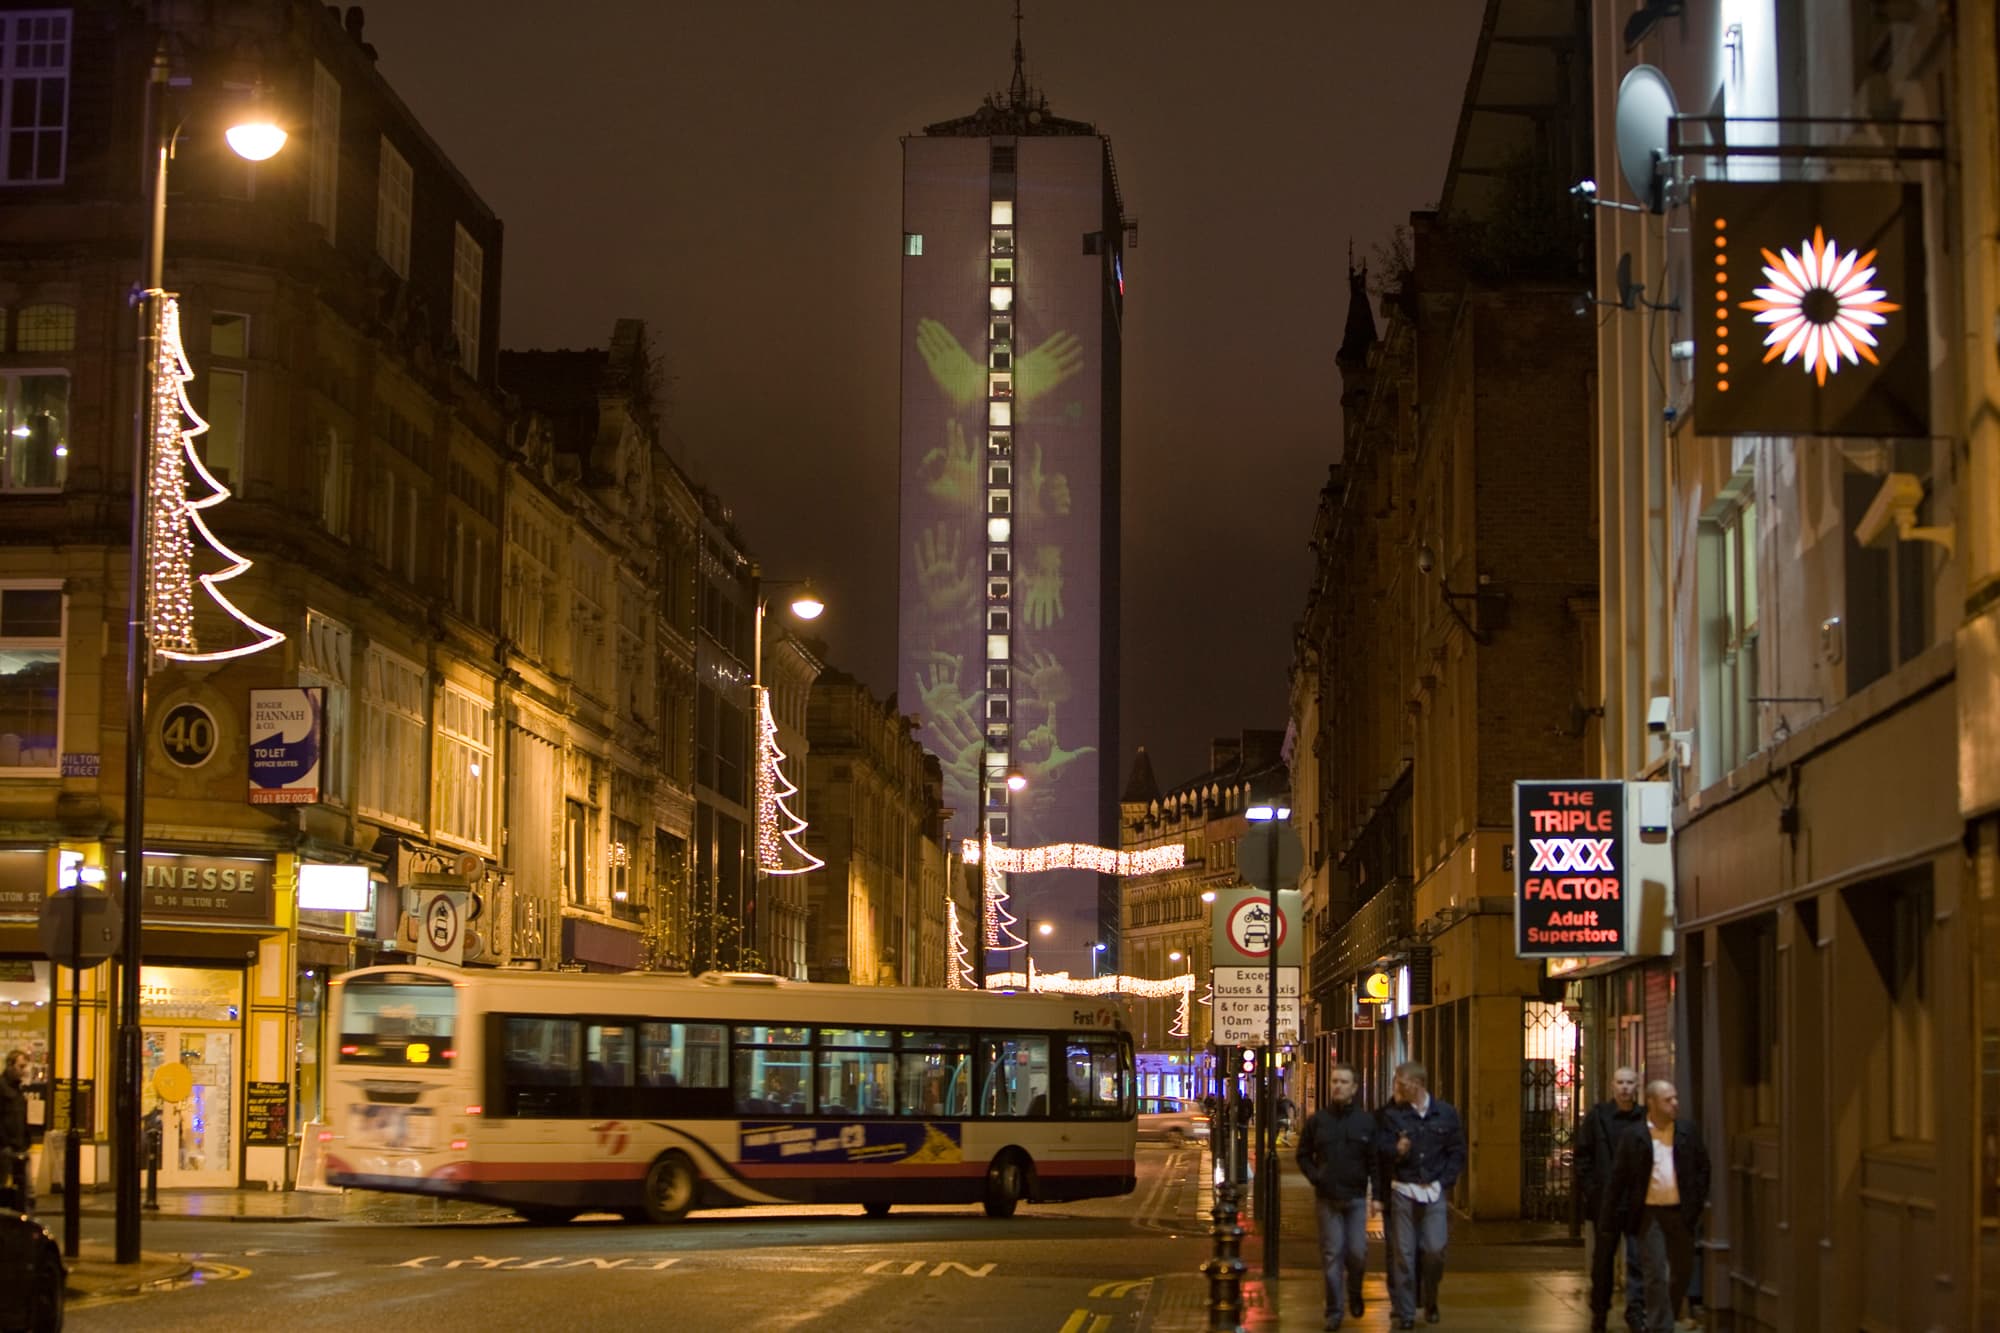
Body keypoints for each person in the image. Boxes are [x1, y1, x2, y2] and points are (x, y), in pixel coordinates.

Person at [1605, 1080, 1711, 1333]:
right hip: (1649, 1214)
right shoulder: (1635, 1136)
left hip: (1680, 1212)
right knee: (1655, 1274)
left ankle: (1668, 1315)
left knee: (1682, 1270)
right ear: (1652, 1103)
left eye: (1675, 1098)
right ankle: (1660, 1327)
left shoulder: (1686, 1132)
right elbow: (1619, 1177)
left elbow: (1702, 1169)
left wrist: (1695, 1205)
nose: (1675, 1103)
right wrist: (1610, 1215)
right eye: (1668, 1099)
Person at [1376, 1061, 1466, 1329]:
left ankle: (1431, 1296)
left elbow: (1457, 1151)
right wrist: (1396, 1150)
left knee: (1434, 1250)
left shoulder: (1446, 1114)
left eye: (1402, 1083)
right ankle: (1405, 1313)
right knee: (1403, 1254)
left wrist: (1445, 1181)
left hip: (1434, 1191)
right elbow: (1381, 1150)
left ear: (1417, 1084)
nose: (1398, 1088)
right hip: (1403, 1190)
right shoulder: (1394, 1116)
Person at [1296, 1064, 1377, 1330]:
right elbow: (1303, 1154)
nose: (1338, 1086)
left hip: (1355, 1198)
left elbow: (1375, 1161)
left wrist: (1376, 1195)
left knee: (1357, 1253)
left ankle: (1354, 1291)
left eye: (1343, 1082)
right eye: (1334, 1081)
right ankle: (1334, 1311)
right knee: (1331, 1255)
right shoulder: (1318, 1121)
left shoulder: (1365, 1122)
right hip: (1327, 1198)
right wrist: (1315, 1176)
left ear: (1354, 1088)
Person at [1577, 1065, 1647, 1332]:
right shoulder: (1598, 1117)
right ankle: (1600, 1313)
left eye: (1630, 1082)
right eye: (1621, 1082)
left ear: (1637, 1085)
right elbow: (1583, 1156)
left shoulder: (1643, 1118)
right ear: (1613, 1085)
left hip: (1636, 1201)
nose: (1625, 1087)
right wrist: (1593, 1191)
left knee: (1638, 1259)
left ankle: (1636, 1310)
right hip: (1606, 1201)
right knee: (1603, 1261)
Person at [0, 1049, 30, 1212]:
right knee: (5, 1189)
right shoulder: (2, 1088)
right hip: (6, 1149)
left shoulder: (18, 1089)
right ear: (10, 1066)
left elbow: (21, 1118)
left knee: (25, 1193)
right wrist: (5, 1144)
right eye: (21, 1066)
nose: (24, 1070)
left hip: (20, 1147)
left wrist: (26, 1141)